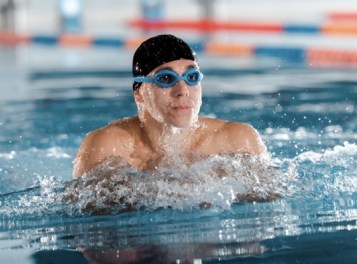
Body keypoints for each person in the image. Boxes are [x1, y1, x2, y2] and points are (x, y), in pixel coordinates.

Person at [72, 34, 266, 179]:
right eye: (166, 79)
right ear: (139, 93)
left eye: (191, 78)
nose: (182, 91)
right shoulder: (107, 146)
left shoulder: (238, 139)